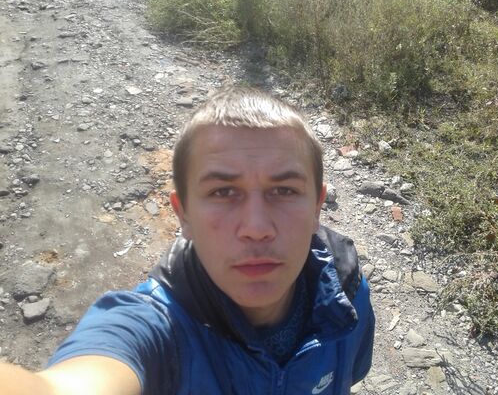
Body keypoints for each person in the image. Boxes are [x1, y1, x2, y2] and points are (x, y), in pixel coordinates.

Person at [0, 86, 375, 395]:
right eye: (223, 192)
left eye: (284, 190)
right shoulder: (155, 329)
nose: (257, 228)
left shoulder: (347, 291)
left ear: (317, 207)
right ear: (183, 215)